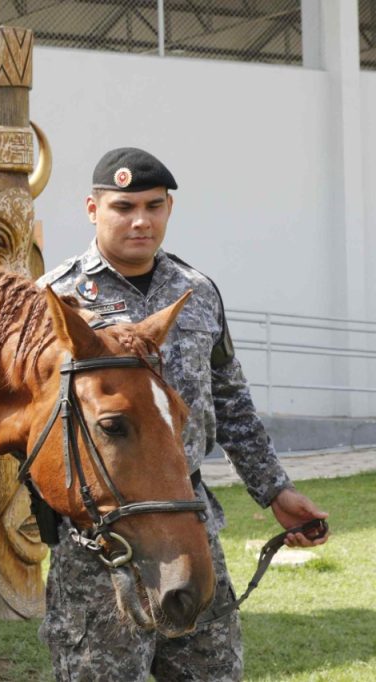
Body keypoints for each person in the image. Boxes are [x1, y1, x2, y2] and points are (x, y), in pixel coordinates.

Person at [36, 148, 329, 680]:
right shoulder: (55, 299)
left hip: (187, 521)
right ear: (92, 209)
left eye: (154, 206)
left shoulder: (197, 293)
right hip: (101, 540)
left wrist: (276, 491)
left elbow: (231, 404)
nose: (140, 221)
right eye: (123, 206)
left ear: (169, 208)